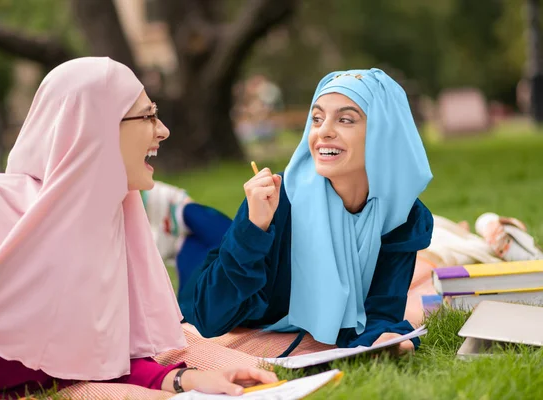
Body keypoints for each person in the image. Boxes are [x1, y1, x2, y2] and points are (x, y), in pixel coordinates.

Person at [0, 57, 276, 398]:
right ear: (95, 126)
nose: (163, 130)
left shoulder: (112, 217)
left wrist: (187, 380)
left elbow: (105, 363)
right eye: (148, 116)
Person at [179, 69, 434, 356]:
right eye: (317, 118)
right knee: (197, 239)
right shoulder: (276, 197)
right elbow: (210, 317)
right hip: (210, 287)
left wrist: (384, 340)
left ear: (383, 133)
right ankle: (179, 212)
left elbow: (382, 310)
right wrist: (253, 228)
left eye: (345, 119)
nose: (323, 130)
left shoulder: (403, 215)